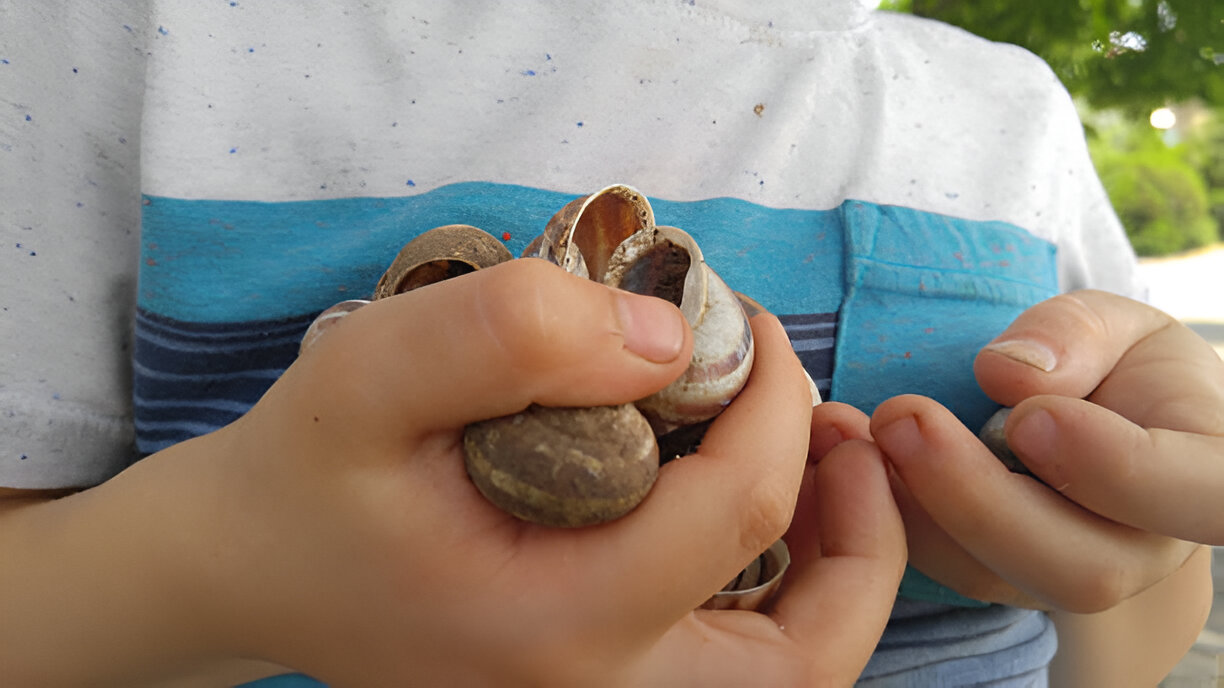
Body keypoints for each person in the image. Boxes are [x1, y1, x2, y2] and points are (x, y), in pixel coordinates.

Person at [2, 1, 1220, 685]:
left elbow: (1119, 638)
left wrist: (1126, 534)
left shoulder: (1014, 119)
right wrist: (223, 567)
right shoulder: (123, 30)